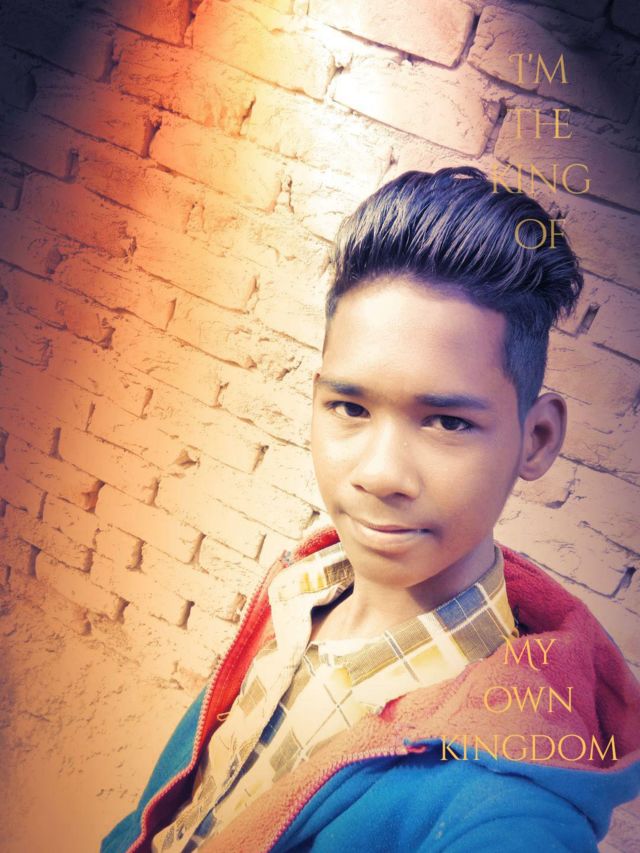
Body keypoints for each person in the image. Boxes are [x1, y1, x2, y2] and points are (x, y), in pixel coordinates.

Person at [102, 168, 640, 853]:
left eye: (447, 422)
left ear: (535, 440)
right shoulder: (302, 587)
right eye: (350, 407)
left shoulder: (505, 808)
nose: (379, 474)